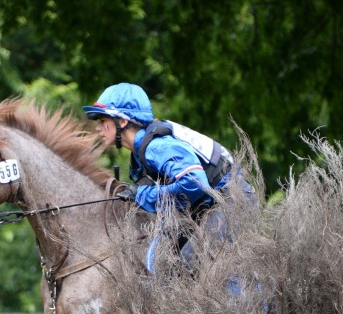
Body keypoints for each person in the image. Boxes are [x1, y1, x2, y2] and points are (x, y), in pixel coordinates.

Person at [83, 82, 255, 273]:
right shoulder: (138, 156)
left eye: (102, 121)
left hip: (232, 201)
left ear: (122, 121)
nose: (98, 128)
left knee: (189, 262)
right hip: (207, 206)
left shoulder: (157, 147)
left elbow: (195, 183)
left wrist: (141, 194)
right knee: (162, 263)